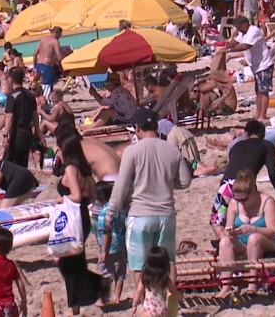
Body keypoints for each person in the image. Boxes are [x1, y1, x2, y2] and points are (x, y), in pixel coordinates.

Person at [107, 108, 192, 304]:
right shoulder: (171, 149)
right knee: (168, 262)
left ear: (137, 128)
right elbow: (185, 181)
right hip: (166, 215)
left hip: (141, 215)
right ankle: (168, 305)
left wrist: (111, 213)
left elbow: (121, 186)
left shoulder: (132, 151)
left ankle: (148, 305)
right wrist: (168, 182)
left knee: (139, 265)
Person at [210, 120, 275, 238]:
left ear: (246, 133)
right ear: (263, 134)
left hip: (226, 184)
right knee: (249, 217)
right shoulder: (267, 145)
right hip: (246, 185)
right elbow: (273, 173)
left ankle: (223, 241)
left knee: (217, 220)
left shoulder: (236, 146)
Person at [55, 134, 104, 315]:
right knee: (76, 262)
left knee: (68, 265)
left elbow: (75, 196)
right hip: (82, 216)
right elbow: (91, 197)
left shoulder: (70, 169)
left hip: (72, 217)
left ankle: (79, 303)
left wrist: (60, 199)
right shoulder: (84, 170)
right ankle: (91, 292)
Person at [217, 170, 275, 298]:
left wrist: (253, 229)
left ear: (253, 192)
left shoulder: (267, 202)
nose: (241, 202)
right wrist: (230, 232)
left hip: (267, 243)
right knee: (224, 241)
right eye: (238, 199)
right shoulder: (234, 204)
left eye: (244, 199)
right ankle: (226, 285)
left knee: (254, 238)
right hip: (243, 245)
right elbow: (227, 229)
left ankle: (253, 283)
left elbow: (273, 232)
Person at [223, 16, 275, 121]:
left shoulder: (253, 31)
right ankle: (258, 114)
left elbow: (245, 46)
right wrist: (226, 47)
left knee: (263, 91)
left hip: (264, 65)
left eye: (238, 27)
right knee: (258, 91)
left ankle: (262, 115)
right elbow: (236, 41)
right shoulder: (243, 33)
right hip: (256, 66)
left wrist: (229, 51)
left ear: (244, 24)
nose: (238, 30)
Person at [94, 181, 127, 305]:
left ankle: (101, 299)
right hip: (120, 246)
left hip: (108, 248)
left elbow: (105, 232)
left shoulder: (104, 212)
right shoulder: (120, 209)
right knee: (120, 273)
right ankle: (117, 297)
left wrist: (103, 251)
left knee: (103, 273)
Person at [2, 67, 42, 168]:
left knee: (8, 164)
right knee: (22, 164)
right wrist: (37, 131)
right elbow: (35, 115)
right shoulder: (30, 95)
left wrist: (5, 135)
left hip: (17, 134)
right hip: (28, 133)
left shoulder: (12, 96)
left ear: (11, 79)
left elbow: (9, 116)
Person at [135, 246, 178, 317]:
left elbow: (139, 291)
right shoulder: (165, 279)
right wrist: (179, 296)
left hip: (149, 309)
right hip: (161, 309)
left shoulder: (146, 278)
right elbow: (173, 291)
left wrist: (134, 304)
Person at [33, 26, 64, 100]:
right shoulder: (55, 41)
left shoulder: (43, 40)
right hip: (46, 66)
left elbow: (35, 54)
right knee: (47, 86)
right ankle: (45, 104)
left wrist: (34, 67)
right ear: (58, 33)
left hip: (39, 65)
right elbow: (60, 57)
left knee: (37, 86)